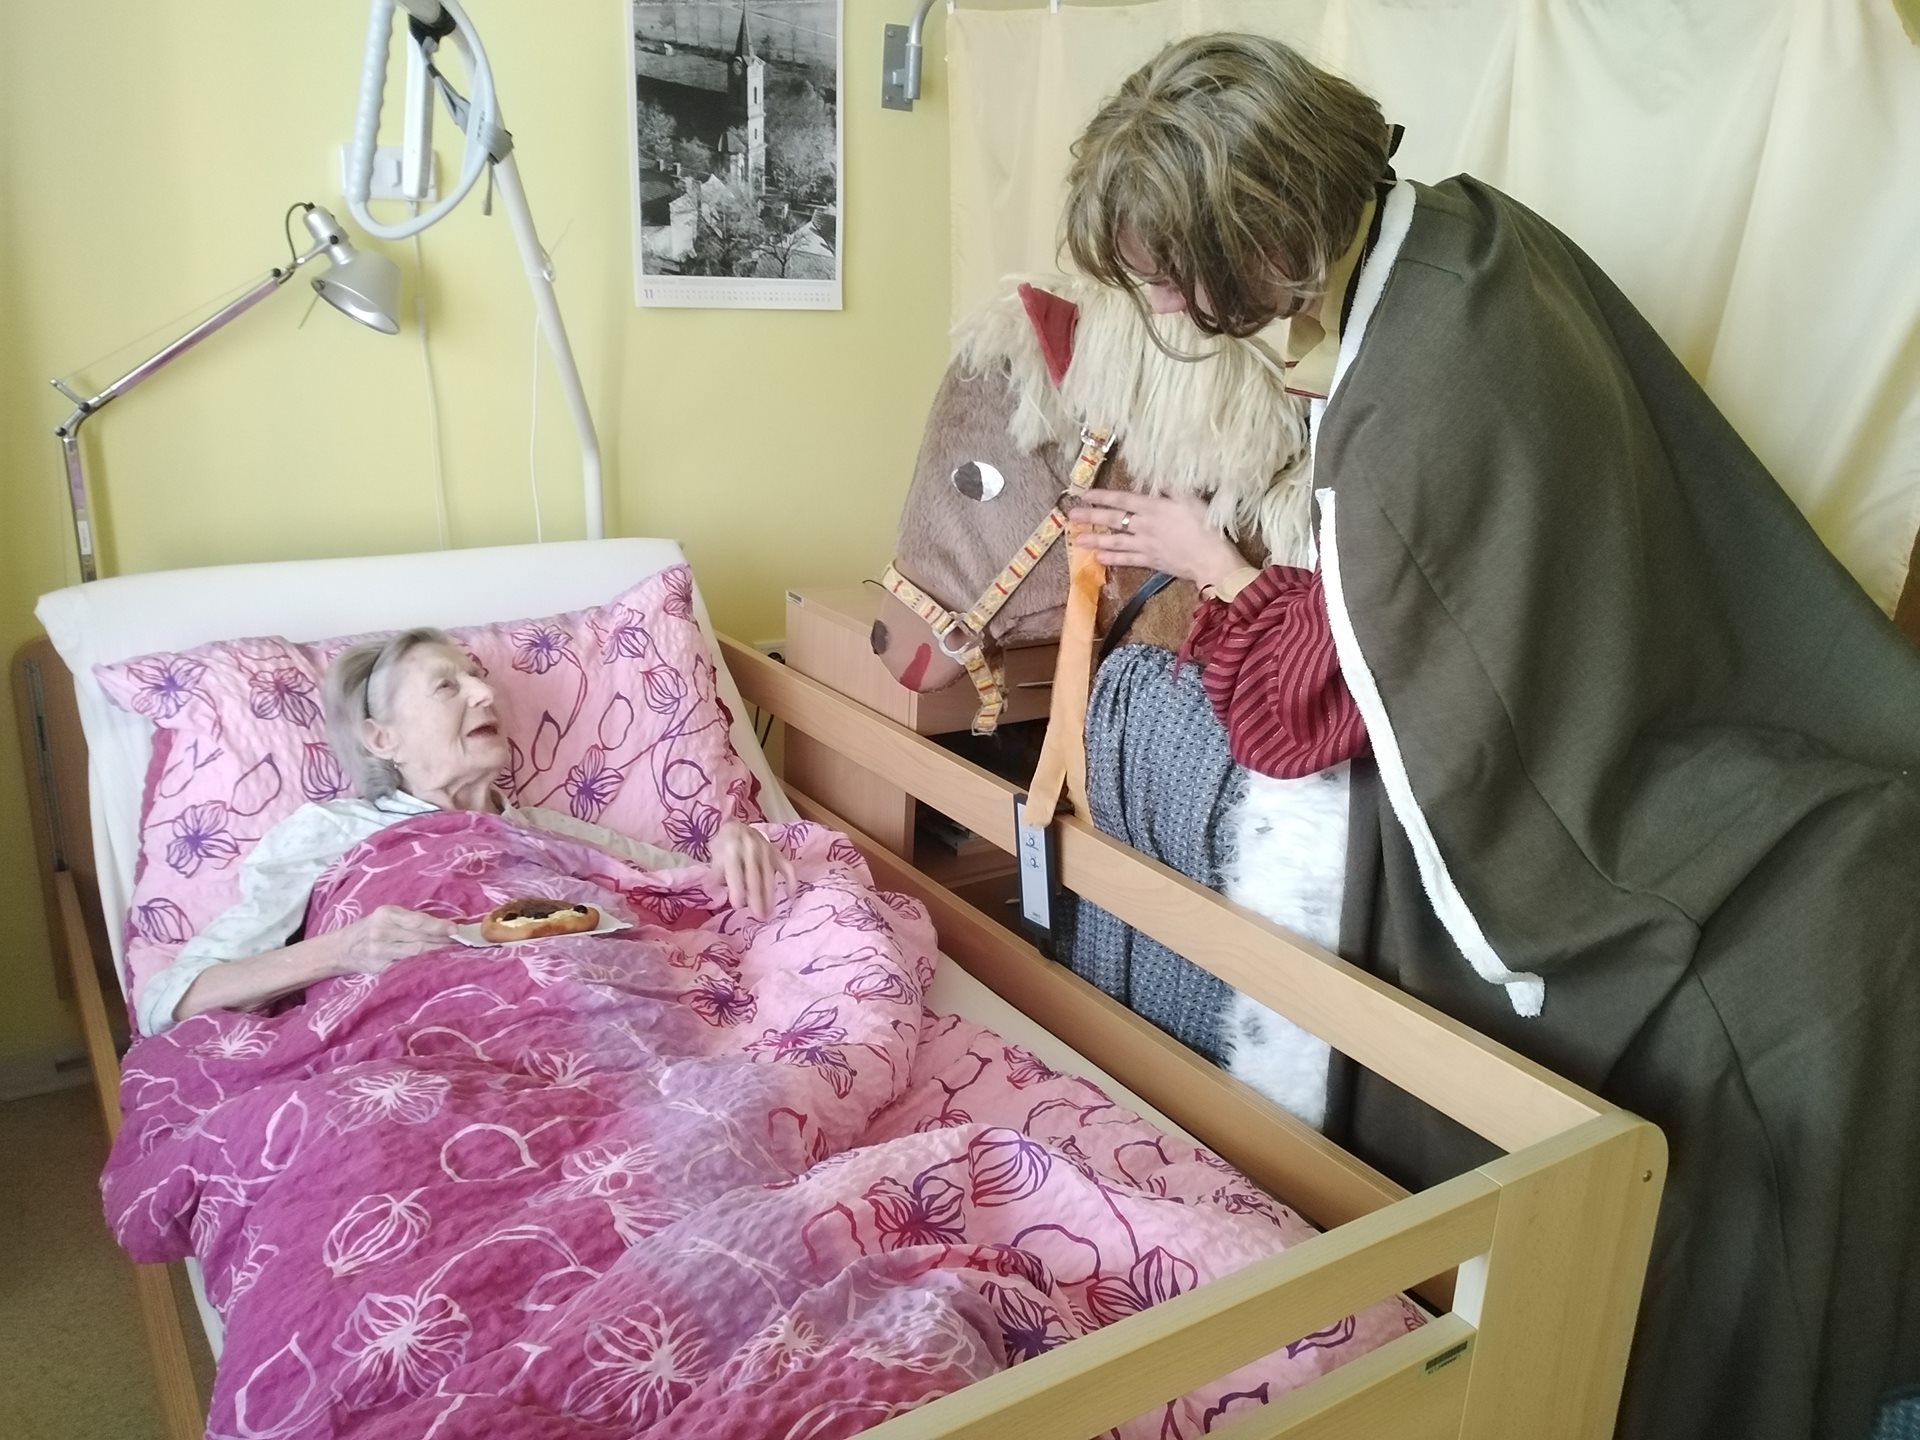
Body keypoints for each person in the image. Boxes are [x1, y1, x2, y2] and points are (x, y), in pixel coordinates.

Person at [1055, 31, 1920, 1440]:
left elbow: (1301, 717)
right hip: (1742, 710)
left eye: (1162, 271)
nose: (1156, 299)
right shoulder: (1475, 233)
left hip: (1624, 820)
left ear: (1260, 242)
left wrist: (1214, 568)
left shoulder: (1404, 423)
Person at [139, 628, 791, 1036]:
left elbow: (683, 885)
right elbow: (172, 1000)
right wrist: (343, 950)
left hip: (599, 1032)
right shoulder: (333, 832)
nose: (484, 695)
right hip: (418, 1056)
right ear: (382, 738)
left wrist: (733, 838)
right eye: (446, 687)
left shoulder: (548, 832)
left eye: (479, 680)